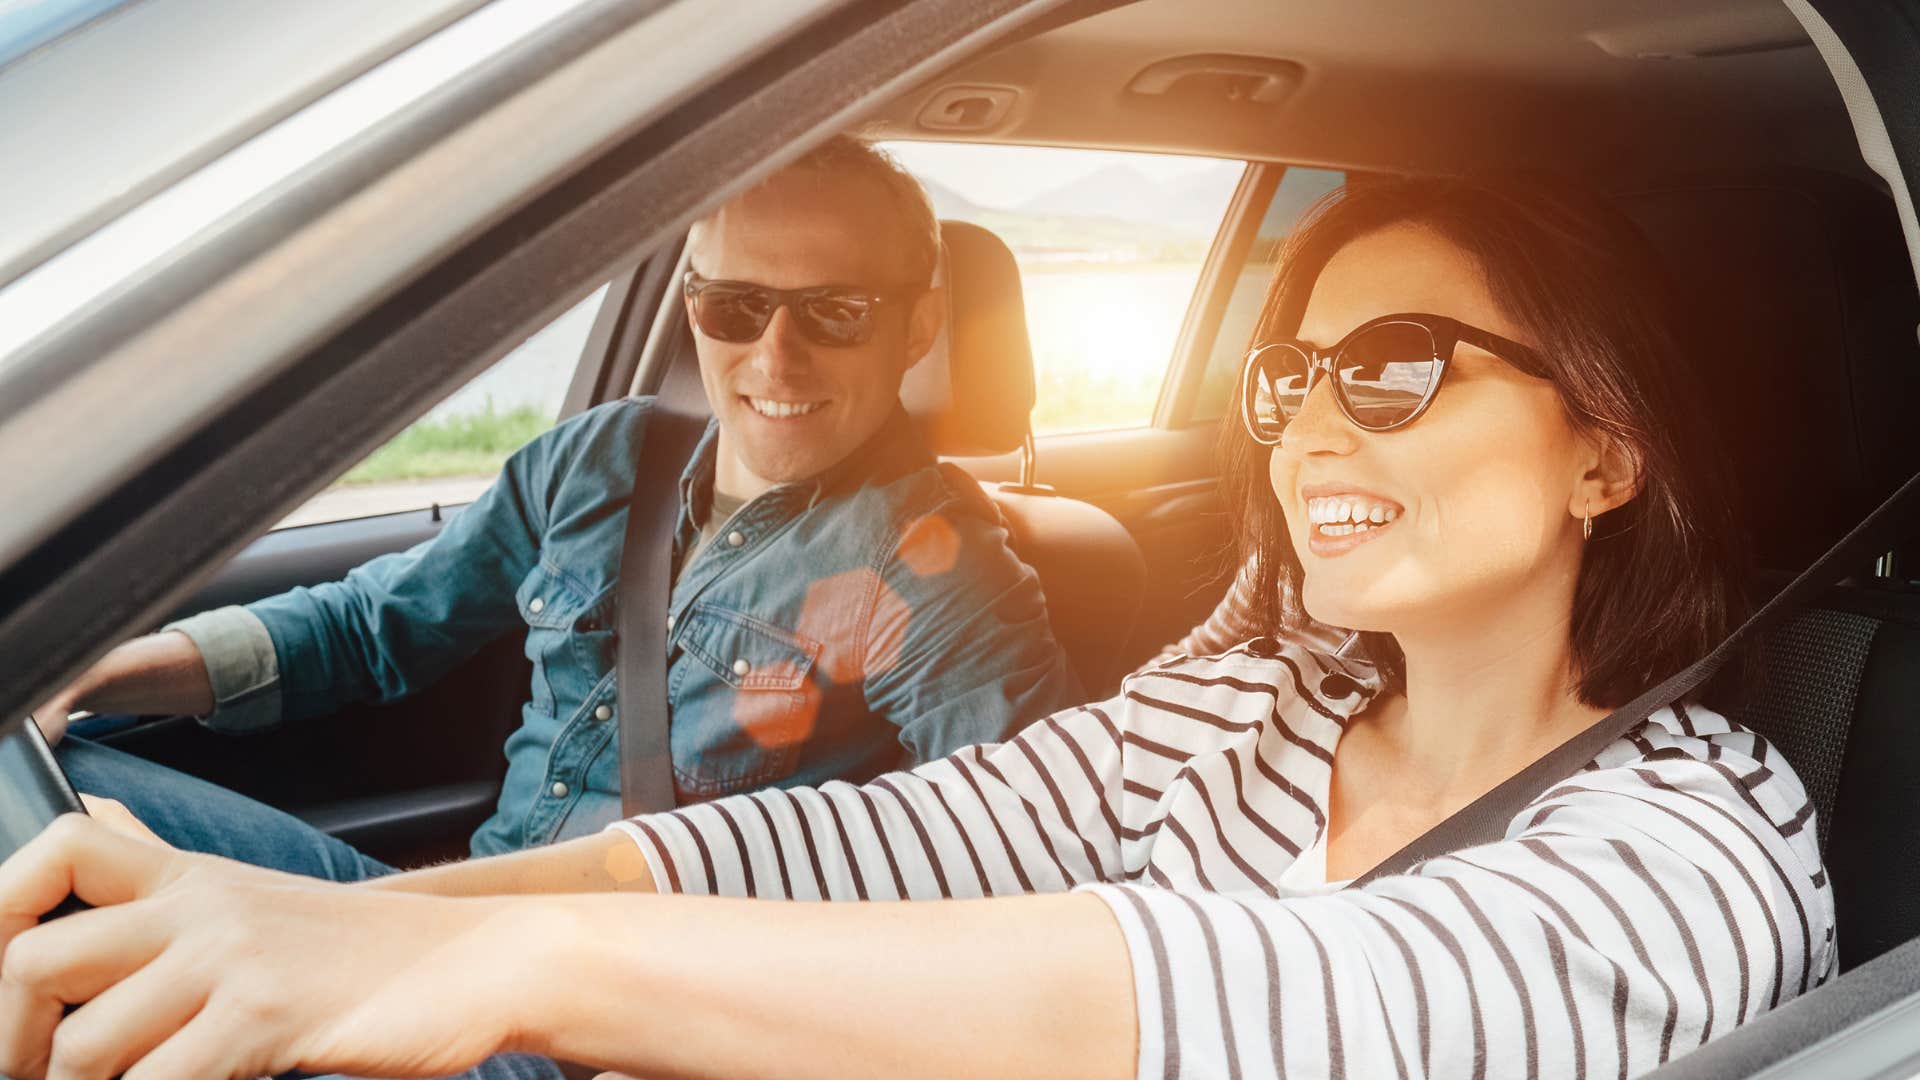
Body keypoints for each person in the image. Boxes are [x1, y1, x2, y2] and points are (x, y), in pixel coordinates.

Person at [0, 174, 1833, 1080]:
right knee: (72, 863)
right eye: (1288, 379)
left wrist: (510, 974)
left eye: (1400, 368)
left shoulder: (1701, 840)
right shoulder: (1248, 700)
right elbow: (888, 834)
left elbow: (1253, 999)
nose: (1314, 429)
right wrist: (360, 930)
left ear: (1608, 448)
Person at [36, 135, 1083, 881]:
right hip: (443, 929)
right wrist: (91, 672)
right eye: (736, 306)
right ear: (693, 306)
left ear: (918, 327)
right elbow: (373, 627)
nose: (775, 356)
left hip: (627, 1022)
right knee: (43, 784)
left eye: (837, 313)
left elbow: (1022, 854)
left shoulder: (941, 573)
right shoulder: (601, 461)